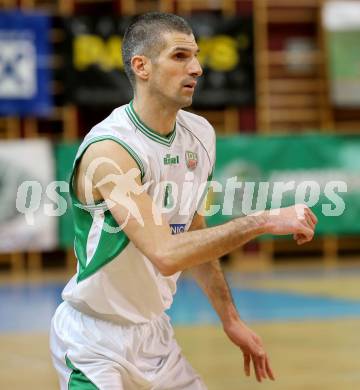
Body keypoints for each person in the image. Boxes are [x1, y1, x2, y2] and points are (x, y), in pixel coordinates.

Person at [50, 12, 317, 390]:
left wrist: (230, 318)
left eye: (196, 56)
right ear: (141, 66)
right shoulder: (111, 149)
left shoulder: (200, 135)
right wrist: (262, 221)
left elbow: (194, 231)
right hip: (95, 342)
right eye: (180, 56)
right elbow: (167, 253)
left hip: (156, 334)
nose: (197, 68)